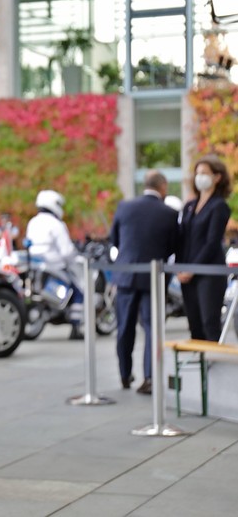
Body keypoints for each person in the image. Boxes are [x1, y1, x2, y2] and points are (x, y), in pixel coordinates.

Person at [109, 170, 179, 394]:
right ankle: (149, 377)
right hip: (153, 277)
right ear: (163, 187)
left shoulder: (124, 207)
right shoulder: (168, 213)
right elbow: (173, 247)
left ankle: (124, 374)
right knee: (151, 328)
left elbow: (116, 240)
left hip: (127, 275)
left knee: (124, 327)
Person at [176, 154, 233, 341]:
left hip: (209, 274)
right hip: (187, 274)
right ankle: (201, 368)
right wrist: (180, 267)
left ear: (217, 177)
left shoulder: (219, 206)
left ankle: (213, 368)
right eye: (197, 173)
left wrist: (191, 269)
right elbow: (182, 238)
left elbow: (211, 242)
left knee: (210, 324)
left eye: (204, 173)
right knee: (195, 326)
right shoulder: (190, 206)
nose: (199, 177)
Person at [25, 189, 85, 339]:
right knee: (78, 292)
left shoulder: (33, 222)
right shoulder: (57, 224)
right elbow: (66, 251)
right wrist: (76, 257)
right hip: (54, 265)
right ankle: (76, 326)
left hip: (35, 265)